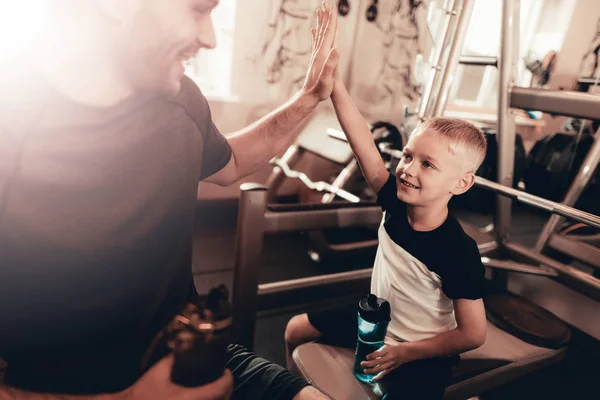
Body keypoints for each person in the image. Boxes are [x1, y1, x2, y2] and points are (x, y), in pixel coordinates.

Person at [0, 0, 339, 399]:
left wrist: (310, 97)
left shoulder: (178, 97)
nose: (211, 38)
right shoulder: (12, 124)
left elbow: (230, 161)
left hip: (188, 361)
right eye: (198, 9)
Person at [285, 71, 488, 398]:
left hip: (420, 349)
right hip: (378, 319)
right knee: (295, 330)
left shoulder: (458, 250)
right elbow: (363, 142)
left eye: (427, 165)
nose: (408, 169)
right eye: (408, 156)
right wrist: (335, 84)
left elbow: (473, 333)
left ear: (461, 183)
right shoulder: (395, 200)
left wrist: (406, 353)